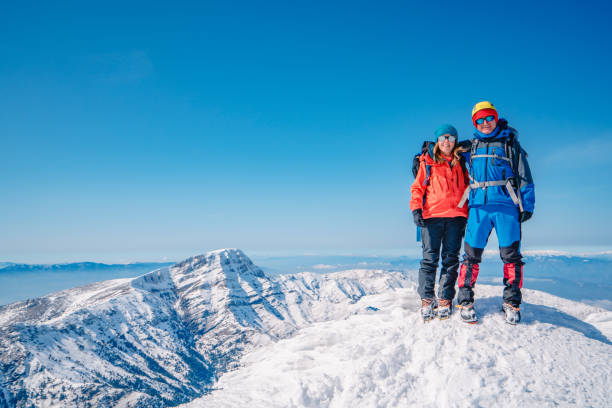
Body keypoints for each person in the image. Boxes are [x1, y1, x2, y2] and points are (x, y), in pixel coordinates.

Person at [455, 101, 535, 324]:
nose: (485, 123)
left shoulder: (509, 143)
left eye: (488, 118)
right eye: (479, 120)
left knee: (511, 257)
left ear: (495, 118)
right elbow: (444, 152)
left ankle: (511, 302)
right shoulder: (470, 147)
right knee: (470, 257)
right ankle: (465, 300)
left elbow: (524, 176)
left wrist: (527, 205)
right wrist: (424, 153)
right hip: (478, 208)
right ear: (475, 123)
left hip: (506, 208)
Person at [410, 124, 469, 321]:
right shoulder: (427, 161)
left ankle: (445, 298)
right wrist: (416, 208)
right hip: (432, 216)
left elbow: (471, 185)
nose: (447, 142)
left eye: (451, 138)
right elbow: (417, 188)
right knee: (429, 259)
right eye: (443, 137)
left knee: (450, 260)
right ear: (437, 141)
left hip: (457, 217)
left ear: (455, 141)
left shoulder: (461, 161)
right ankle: (427, 299)